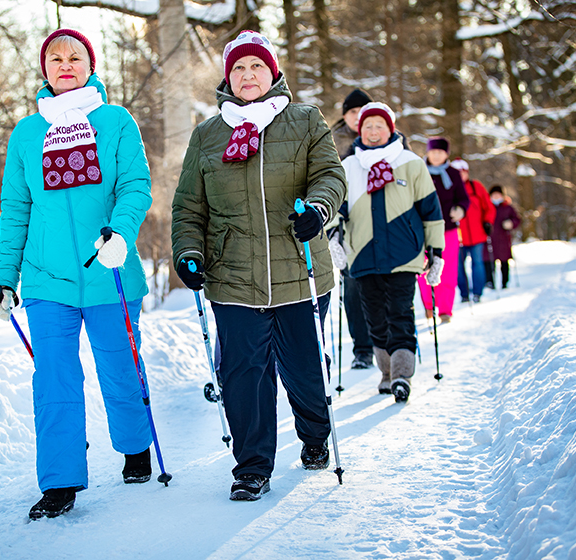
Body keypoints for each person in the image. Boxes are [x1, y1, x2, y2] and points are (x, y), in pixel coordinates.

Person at [171, 30, 347, 501]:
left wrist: (318, 209)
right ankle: (251, 467)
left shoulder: (305, 120)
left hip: (299, 269)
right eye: (238, 68)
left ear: (273, 72)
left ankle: (315, 435)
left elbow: (330, 176)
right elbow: (189, 206)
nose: (248, 75)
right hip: (233, 277)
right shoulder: (208, 135)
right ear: (227, 77)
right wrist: (188, 252)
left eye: (257, 66)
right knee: (243, 376)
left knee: (304, 370)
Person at [0, 29, 154, 520]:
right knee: (54, 380)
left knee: (120, 368)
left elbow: (135, 186)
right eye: (56, 58)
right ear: (45, 69)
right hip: (47, 281)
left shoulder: (115, 121)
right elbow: (16, 209)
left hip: (109, 271)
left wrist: (120, 233)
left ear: (90, 66)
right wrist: (5, 276)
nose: (66, 64)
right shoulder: (26, 133)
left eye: (75, 57)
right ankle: (60, 481)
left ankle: (135, 447)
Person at [336, 102, 444, 401]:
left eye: (379, 126)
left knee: (400, 313)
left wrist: (436, 251)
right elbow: (336, 209)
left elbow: (431, 211)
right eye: (367, 126)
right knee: (375, 319)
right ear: (360, 130)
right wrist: (333, 239)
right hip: (363, 254)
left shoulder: (411, 163)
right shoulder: (348, 166)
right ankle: (386, 372)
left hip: (404, 254)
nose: (373, 131)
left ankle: (401, 376)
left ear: (390, 129)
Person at [330, 88, 375, 369]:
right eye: (353, 112)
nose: (358, 116)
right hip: (349, 221)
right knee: (354, 286)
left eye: (363, 111)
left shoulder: (388, 136)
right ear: (345, 115)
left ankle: (389, 343)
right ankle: (363, 349)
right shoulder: (331, 140)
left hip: (383, 221)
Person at [416, 137, 469, 323]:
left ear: (446, 154)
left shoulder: (453, 173)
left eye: (440, 152)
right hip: (423, 228)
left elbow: (463, 198)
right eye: (433, 152)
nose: (436, 155)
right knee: (423, 268)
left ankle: (445, 309)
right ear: (428, 152)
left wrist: (460, 209)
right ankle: (429, 305)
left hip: (448, 229)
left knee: (447, 269)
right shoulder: (418, 170)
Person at [451, 159, 495, 303]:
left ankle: (477, 292)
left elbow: (489, 207)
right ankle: (464, 293)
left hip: (477, 234)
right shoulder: (449, 189)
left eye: (463, 172)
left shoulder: (476, 187)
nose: (460, 175)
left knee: (477, 263)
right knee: (458, 266)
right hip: (459, 236)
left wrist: (488, 222)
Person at [484, 185, 521, 289]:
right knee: (489, 261)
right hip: (490, 239)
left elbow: (517, 219)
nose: (496, 197)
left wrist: (511, 223)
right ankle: (490, 282)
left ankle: (505, 282)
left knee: (504, 261)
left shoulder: (507, 207)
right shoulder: (486, 207)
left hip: (503, 238)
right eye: (494, 195)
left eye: (498, 194)